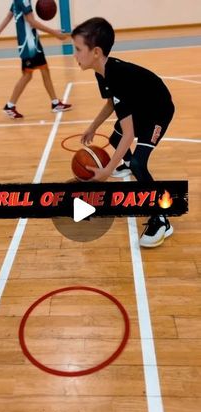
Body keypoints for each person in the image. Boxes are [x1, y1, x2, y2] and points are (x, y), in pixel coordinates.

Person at [71, 17, 175, 248]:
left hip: (158, 111)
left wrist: (107, 171)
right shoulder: (102, 72)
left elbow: (129, 136)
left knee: (138, 164)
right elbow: (112, 104)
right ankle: (127, 164)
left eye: (78, 49)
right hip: (141, 106)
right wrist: (93, 127)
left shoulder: (117, 76)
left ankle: (161, 218)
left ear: (96, 52)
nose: (74, 55)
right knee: (113, 138)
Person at [0, 0, 72, 118]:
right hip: (29, 45)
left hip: (32, 42)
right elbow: (32, 22)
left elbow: (8, 17)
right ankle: (10, 106)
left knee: (44, 70)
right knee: (27, 75)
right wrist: (54, 33)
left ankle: (55, 103)